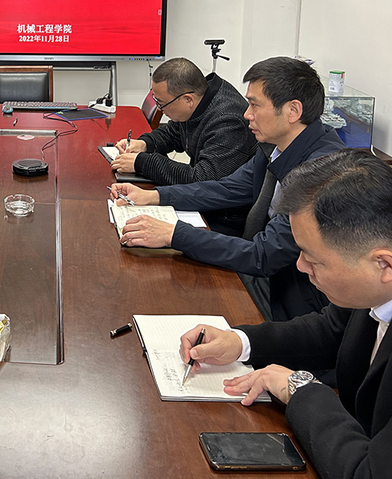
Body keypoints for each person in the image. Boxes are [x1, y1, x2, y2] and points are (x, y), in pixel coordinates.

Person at [179, 149, 392, 479]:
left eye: (313, 259)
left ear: (384, 264)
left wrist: (300, 388)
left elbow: (369, 477)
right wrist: (240, 342)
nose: (300, 266)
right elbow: (331, 329)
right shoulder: (372, 290)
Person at [111, 57, 344, 321]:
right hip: (265, 271)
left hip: (293, 303)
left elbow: (263, 255)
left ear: (293, 110)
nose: (246, 114)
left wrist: (173, 235)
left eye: (255, 105)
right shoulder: (277, 144)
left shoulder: (320, 172)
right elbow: (228, 188)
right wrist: (154, 196)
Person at [111, 57, 257, 235]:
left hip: (221, 218)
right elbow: (174, 133)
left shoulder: (228, 122)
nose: (160, 109)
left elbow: (203, 180)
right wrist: (144, 144)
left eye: (161, 104)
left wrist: (143, 162)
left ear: (188, 99)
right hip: (199, 201)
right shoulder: (200, 99)